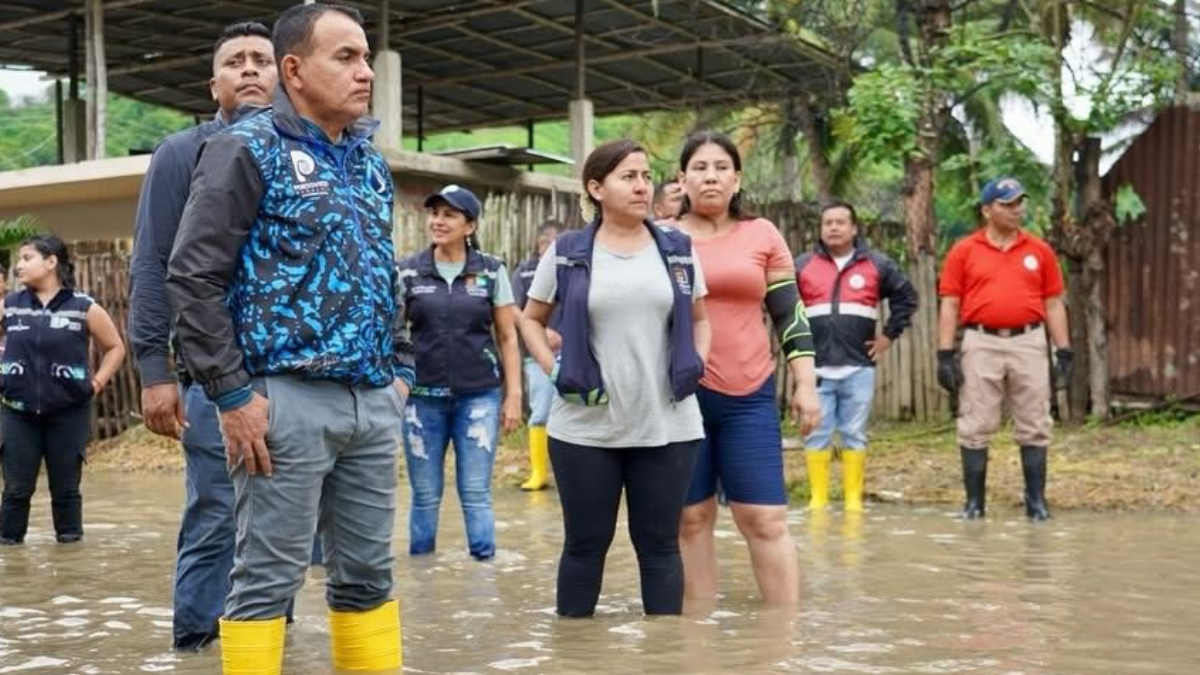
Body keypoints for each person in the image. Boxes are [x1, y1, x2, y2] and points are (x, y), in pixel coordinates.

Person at [165, 4, 411, 673]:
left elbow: (381, 270)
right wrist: (233, 393)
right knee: (268, 579)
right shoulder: (247, 147)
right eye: (347, 57)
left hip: (369, 398)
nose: (365, 72)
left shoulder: (367, 162)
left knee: (367, 575)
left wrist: (402, 371)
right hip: (282, 400)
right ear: (294, 71)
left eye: (365, 57)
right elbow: (191, 274)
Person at [127, 20, 290, 651]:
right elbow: (151, 261)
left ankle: (269, 643)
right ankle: (195, 646)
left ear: (288, 75)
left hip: (294, 374)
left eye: (262, 59)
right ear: (214, 84)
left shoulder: (304, 152)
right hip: (210, 376)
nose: (249, 69)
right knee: (216, 516)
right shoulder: (183, 152)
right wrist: (155, 371)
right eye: (235, 62)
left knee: (286, 527)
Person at [519, 139, 711, 617]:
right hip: (584, 425)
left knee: (660, 546)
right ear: (595, 188)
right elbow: (530, 319)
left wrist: (697, 364)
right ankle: (574, 659)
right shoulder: (567, 252)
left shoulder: (677, 248)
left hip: (667, 422)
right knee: (585, 546)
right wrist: (552, 368)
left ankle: (663, 659)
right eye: (629, 176)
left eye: (646, 176)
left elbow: (701, 317)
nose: (642, 186)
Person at [670, 130, 820, 606]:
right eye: (699, 167)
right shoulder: (663, 239)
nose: (710, 176)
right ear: (682, 179)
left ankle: (782, 636)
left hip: (748, 397)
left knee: (765, 518)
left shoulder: (763, 235)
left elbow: (789, 315)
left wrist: (806, 384)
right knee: (690, 519)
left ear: (737, 179)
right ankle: (696, 638)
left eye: (720, 167)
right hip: (678, 397)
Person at [396, 184, 522, 560]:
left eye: (449, 214)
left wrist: (513, 395)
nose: (438, 221)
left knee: (476, 492)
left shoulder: (491, 271)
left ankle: (483, 577)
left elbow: (508, 337)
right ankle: (423, 576)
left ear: (470, 226)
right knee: (424, 495)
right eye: (434, 213)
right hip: (421, 401)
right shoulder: (406, 272)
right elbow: (394, 336)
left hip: (479, 397)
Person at [936, 177, 1072, 521]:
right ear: (987, 210)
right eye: (1007, 204)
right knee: (975, 422)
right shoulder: (964, 251)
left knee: (1035, 421)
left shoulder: (1038, 250)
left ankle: (1036, 504)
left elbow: (1054, 303)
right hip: (981, 341)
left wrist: (1064, 350)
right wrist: (944, 353)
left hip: (1029, 340)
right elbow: (950, 305)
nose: (1017, 210)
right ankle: (974, 505)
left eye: (1019, 203)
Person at [0, 235, 126, 545]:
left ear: (52, 261)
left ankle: (70, 562)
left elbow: (115, 347)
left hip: (69, 414)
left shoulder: (83, 307)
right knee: (15, 492)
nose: (19, 266)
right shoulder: (10, 306)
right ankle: (10, 558)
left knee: (67, 492)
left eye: (27, 258)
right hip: (17, 413)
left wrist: (96, 383)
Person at [795, 200, 918, 511]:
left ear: (854, 228)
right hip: (816, 367)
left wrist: (889, 336)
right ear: (821, 230)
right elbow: (781, 306)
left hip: (858, 367)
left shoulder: (877, 264)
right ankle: (818, 500)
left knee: (854, 433)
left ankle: (853, 502)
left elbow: (907, 297)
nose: (833, 228)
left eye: (840, 222)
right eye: (828, 223)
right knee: (817, 434)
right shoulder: (802, 265)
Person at [511, 218, 562, 491]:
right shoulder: (525, 272)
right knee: (541, 411)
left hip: (574, 354)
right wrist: (541, 334)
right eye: (549, 244)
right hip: (537, 354)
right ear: (540, 245)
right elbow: (512, 308)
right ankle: (539, 472)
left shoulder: (573, 268)